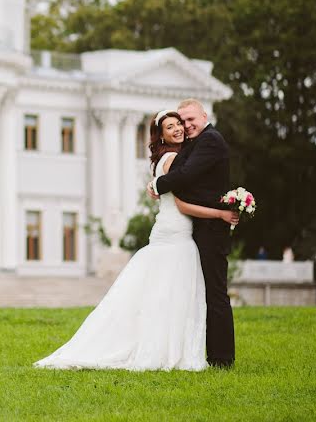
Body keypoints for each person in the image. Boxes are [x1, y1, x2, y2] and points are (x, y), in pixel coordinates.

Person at [34, 109, 238, 371]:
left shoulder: (174, 155)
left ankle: (175, 347)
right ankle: (168, 349)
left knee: (170, 293)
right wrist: (217, 212)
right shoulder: (173, 157)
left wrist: (156, 184)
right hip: (177, 232)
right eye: (172, 126)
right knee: (171, 294)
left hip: (176, 231)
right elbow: (183, 201)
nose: (179, 128)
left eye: (181, 123)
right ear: (161, 135)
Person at [149, 98, 236, 369]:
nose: (185, 126)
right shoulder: (194, 143)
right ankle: (206, 353)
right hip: (195, 227)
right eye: (179, 122)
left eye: (188, 120)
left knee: (215, 292)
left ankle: (222, 358)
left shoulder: (210, 140)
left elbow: (186, 175)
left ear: (204, 115)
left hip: (210, 230)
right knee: (199, 292)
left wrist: (157, 184)